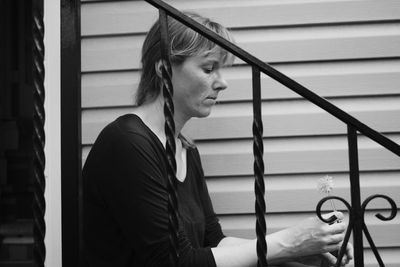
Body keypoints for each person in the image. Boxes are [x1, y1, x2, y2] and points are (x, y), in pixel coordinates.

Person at [82, 12, 353, 267]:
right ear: (164, 70)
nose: (222, 83)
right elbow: (174, 261)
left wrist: (302, 250)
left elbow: (213, 242)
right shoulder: (127, 144)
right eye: (209, 68)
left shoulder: (185, 149)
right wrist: (289, 243)